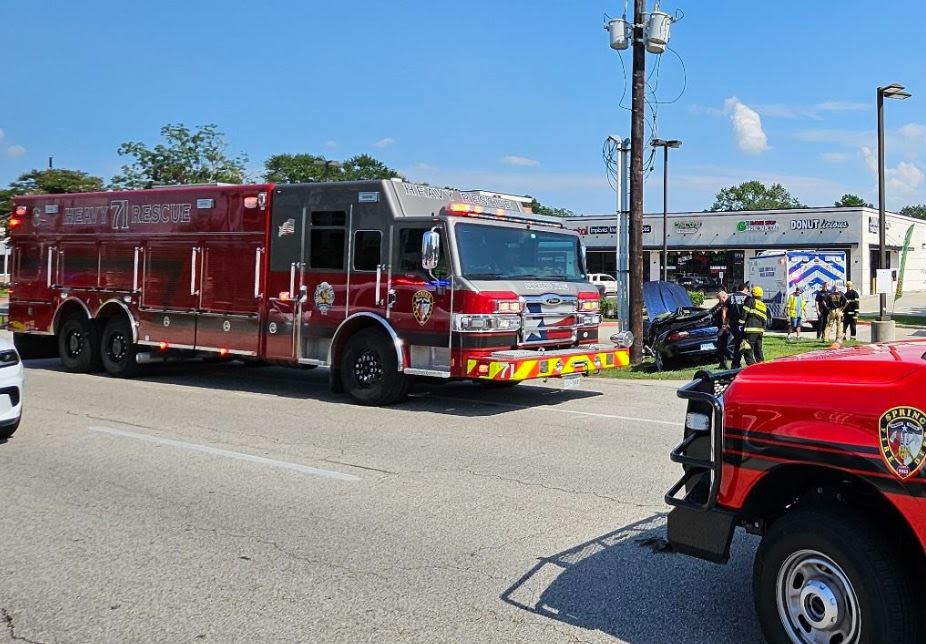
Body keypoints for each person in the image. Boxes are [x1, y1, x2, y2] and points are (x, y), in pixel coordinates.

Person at [741, 285, 768, 364]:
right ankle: (762, 367)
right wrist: (762, 330)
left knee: (747, 350)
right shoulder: (763, 305)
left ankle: (752, 368)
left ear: (752, 294)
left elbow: (744, 314)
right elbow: (765, 319)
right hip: (759, 332)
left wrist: (740, 324)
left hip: (750, 330)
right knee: (758, 350)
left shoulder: (750, 301)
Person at [728, 282, 750, 368]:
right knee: (746, 344)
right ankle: (749, 363)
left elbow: (726, 311)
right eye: (747, 290)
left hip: (733, 325)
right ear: (745, 289)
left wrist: (726, 323)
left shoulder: (731, 297)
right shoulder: (748, 298)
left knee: (737, 344)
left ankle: (735, 364)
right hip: (744, 325)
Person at [713, 288, 733, 369]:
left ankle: (733, 357)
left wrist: (725, 326)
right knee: (720, 347)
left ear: (724, 297)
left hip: (727, 328)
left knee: (725, 346)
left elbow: (728, 316)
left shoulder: (729, 304)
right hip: (722, 328)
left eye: (720, 299)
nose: (719, 301)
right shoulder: (721, 305)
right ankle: (722, 364)